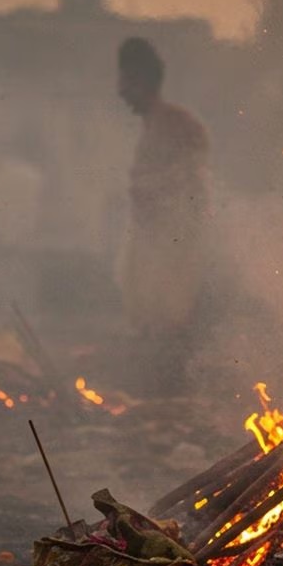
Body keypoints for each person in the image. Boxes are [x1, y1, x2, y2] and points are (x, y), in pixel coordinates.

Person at [115, 37, 212, 392]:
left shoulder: (179, 124)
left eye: (125, 80)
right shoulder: (152, 126)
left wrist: (154, 192)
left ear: (140, 80)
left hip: (174, 247)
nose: (120, 91)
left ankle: (170, 391)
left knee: (170, 322)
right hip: (153, 245)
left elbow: (193, 177)